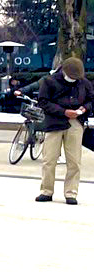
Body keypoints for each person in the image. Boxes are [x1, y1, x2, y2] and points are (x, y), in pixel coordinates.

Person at [35, 56, 92, 205]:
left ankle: (71, 193)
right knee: (49, 159)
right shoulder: (49, 81)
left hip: (75, 122)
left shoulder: (84, 83)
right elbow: (43, 102)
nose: (74, 79)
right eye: (72, 76)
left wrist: (84, 108)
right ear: (64, 71)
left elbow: (91, 100)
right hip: (54, 122)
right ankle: (46, 191)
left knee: (74, 161)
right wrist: (63, 111)